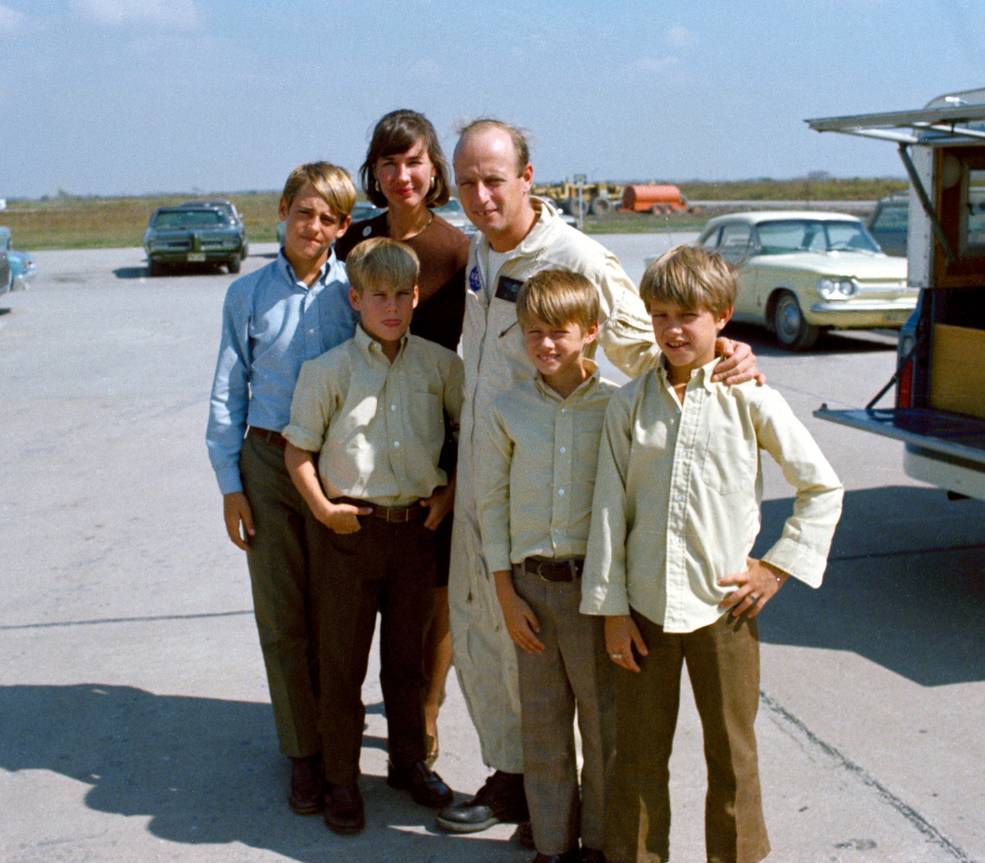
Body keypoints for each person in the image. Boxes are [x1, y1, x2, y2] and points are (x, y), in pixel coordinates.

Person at [438, 118, 762, 836]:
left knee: (578, 684)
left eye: (494, 179)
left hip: (560, 495)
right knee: (490, 636)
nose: (481, 195)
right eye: (466, 182)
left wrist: (722, 357)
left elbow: (648, 345)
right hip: (492, 476)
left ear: (528, 177)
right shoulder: (476, 253)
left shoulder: (575, 256)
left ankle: (581, 815)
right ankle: (519, 778)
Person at [580, 246, 844, 863]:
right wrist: (613, 610)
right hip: (643, 611)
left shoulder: (749, 397)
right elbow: (608, 514)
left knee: (732, 754)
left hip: (724, 611)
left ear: (721, 317)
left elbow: (822, 487)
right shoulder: (629, 406)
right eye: (661, 315)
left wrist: (775, 567)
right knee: (639, 755)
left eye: (688, 316)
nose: (673, 330)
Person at [282, 237, 463, 835]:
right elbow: (298, 452)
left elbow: (471, 437)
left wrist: (449, 491)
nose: (391, 307)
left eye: (402, 296)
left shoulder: (440, 367)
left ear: (416, 298)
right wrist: (322, 509)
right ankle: (340, 777)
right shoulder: (327, 370)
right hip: (346, 533)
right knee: (342, 663)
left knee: (405, 662)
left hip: (414, 532)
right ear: (355, 298)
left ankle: (409, 763)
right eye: (378, 296)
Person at [205, 162, 356, 816]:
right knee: (282, 616)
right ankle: (302, 753)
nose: (313, 227)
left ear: (343, 226)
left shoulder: (353, 288)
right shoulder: (248, 294)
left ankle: (338, 748)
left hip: (337, 464)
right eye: (304, 213)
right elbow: (225, 390)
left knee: (337, 618)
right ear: (282, 211)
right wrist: (230, 483)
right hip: (266, 464)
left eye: (328, 218)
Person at [335, 109, 468, 767]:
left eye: (413, 161)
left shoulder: (457, 249)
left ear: (433, 168)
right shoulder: (350, 241)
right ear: (374, 172)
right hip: (363, 444)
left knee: (436, 596)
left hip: (433, 439)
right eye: (388, 163)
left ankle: (426, 708)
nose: (401, 174)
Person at [477, 270, 617, 863]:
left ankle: (601, 845)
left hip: (598, 592)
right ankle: (553, 844)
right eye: (534, 332)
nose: (546, 344)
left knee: (604, 729)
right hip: (532, 593)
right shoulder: (508, 411)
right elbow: (491, 505)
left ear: (590, 331)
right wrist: (507, 598)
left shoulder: (618, 406)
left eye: (559, 331)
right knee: (544, 729)